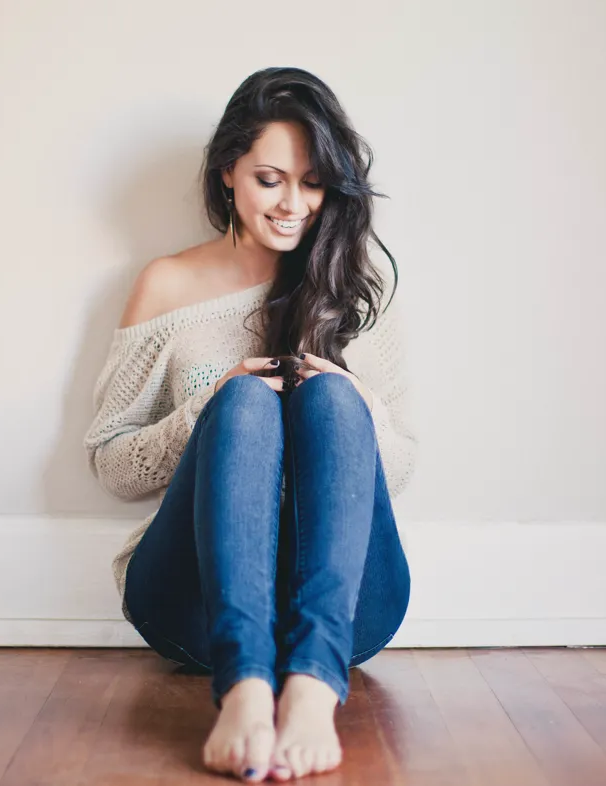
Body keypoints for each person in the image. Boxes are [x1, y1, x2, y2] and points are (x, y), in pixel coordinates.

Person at [83, 67, 417, 782]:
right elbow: (110, 464)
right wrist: (209, 407)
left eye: (314, 182)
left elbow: (403, 469)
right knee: (243, 400)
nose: (294, 203)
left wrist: (360, 404)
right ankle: (242, 686)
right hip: (196, 606)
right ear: (228, 171)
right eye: (271, 178)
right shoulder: (166, 285)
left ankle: (310, 688)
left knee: (330, 399)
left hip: (345, 611)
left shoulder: (357, 288)